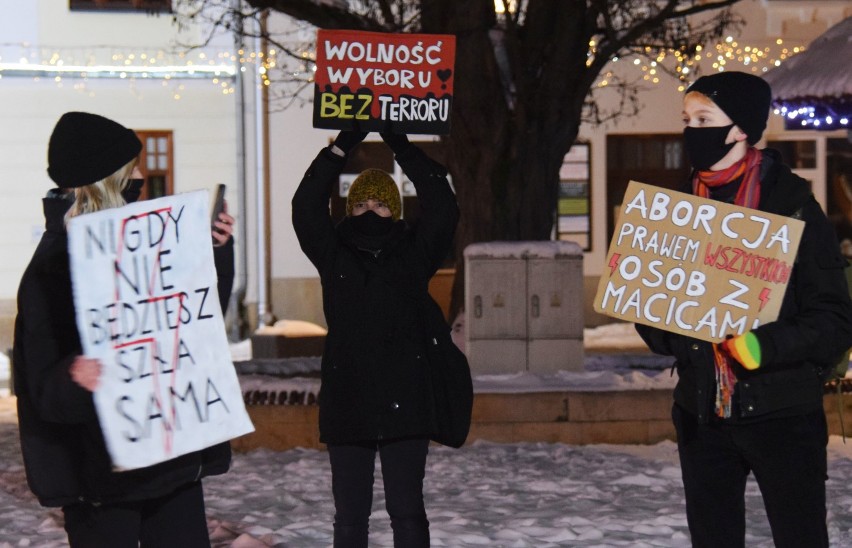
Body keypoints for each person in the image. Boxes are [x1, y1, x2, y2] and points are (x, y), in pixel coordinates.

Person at [635, 72, 852, 547]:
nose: (691, 130)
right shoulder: (674, 209)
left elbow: (834, 320)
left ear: (740, 130)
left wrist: (761, 346)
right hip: (701, 416)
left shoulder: (792, 207)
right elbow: (650, 313)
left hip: (783, 416)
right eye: (687, 119)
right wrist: (670, 328)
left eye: (704, 119)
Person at [13, 111, 236, 547]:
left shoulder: (149, 241)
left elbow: (197, 323)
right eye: (131, 168)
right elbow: (41, 387)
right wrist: (73, 376)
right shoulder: (52, 266)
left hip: (171, 464)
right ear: (108, 179)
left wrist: (216, 254)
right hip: (99, 480)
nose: (141, 175)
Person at [292, 130, 459, 547]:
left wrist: (402, 149)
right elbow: (305, 208)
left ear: (396, 211)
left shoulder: (414, 252)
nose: (371, 210)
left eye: (382, 203)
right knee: (350, 517)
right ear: (348, 209)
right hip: (349, 399)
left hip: (407, 399)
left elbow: (443, 208)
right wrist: (338, 150)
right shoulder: (333, 252)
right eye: (362, 203)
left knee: (407, 512)